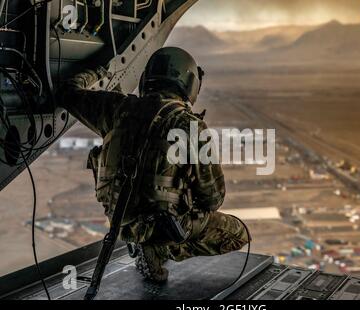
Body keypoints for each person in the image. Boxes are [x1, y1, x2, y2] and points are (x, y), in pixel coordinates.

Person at [58, 47, 250, 282]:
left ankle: (146, 247)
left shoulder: (116, 108)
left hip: (122, 225)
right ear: (190, 83)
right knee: (238, 233)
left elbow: (67, 93)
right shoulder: (191, 127)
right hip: (165, 228)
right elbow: (213, 198)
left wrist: (100, 71)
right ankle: (160, 250)